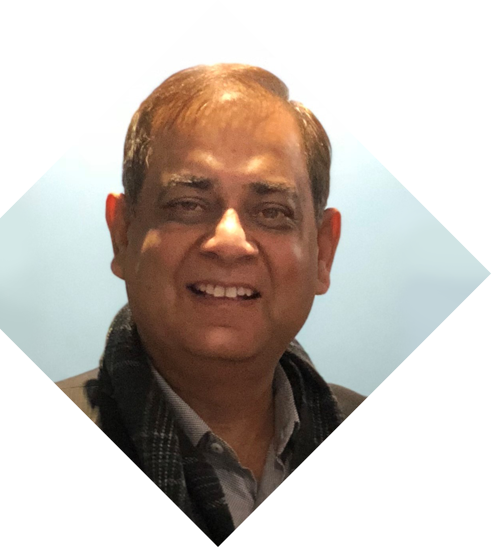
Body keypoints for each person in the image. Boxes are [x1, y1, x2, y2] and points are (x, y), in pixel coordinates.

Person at [37, 63, 399, 547]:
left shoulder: (401, 455)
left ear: (323, 253)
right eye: (188, 204)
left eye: (272, 212)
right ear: (123, 234)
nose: (230, 242)